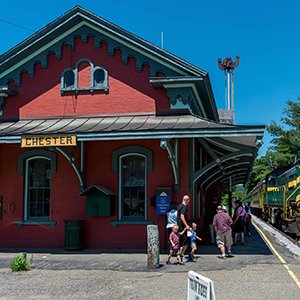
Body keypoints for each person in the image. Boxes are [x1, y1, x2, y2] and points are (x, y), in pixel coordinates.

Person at [177, 195, 191, 261]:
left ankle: (180, 256)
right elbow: (182, 216)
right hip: (183, 227)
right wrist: (186, 225)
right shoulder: (184, 207)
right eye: (189, 200)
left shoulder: (179, 206)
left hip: (179, 226)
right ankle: (181, 256)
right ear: (187, 200)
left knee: (181, 241)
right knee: (185, 242)